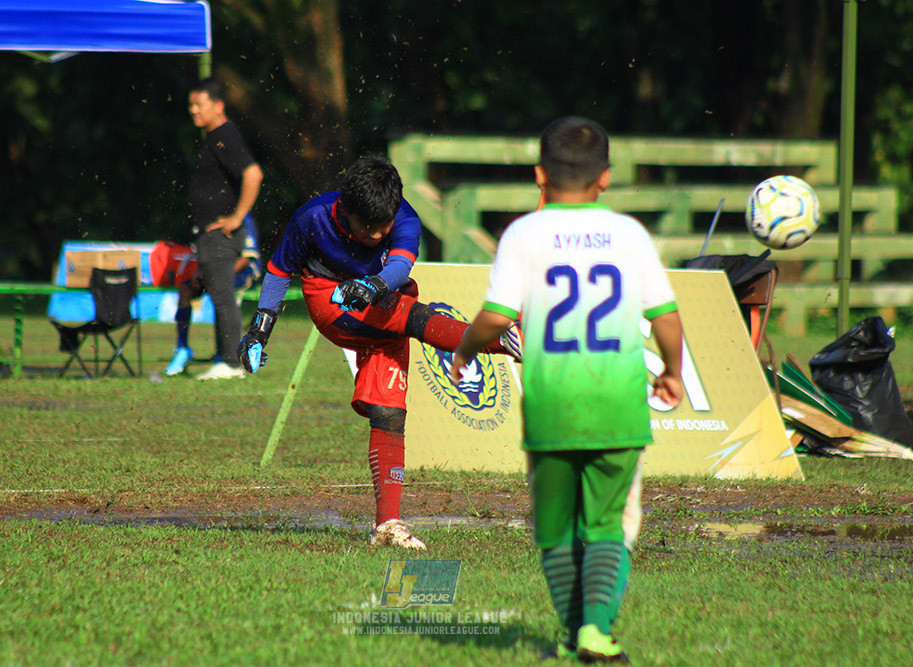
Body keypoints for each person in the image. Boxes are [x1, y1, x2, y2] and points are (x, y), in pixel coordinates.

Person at [448, 117, 684, 663]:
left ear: (539, 174)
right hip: (617, 403)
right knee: (609, 523)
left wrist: (463, 350)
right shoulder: (629, 235)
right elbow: (665, 316)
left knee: (555, 529)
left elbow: (496, 316)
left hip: (550, 406)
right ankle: (594, 632)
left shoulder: (522, 235)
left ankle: (572, 630)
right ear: (605, 178)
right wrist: (670, 370)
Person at [237, 156, 522, 551]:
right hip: (330, 301)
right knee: (411, 315)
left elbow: (400, 269)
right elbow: (280, 270)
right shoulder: (312, 216)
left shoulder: (404, 216)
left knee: (388, 413)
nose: (375, 235)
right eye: (365, 226)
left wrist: (373, 286)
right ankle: (502, 338)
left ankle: (387, 524)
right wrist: (259, 329)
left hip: (380, 301)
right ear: (345, 209)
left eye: (382, 227)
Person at [185, 77, 264, 381]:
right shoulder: (215, 136)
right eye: (190, 104)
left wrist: (236, 216)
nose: (193, 110)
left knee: (223, 297)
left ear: (218, 106)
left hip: (222, 235)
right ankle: (226, 359)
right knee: (221, 295)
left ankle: (230, 363)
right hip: (210, 235)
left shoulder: (223, 135)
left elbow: (253, 174)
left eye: (199, 104)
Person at [164, 214, 262, 376]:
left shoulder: (243, 219)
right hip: (216, 273)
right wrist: (202, 273)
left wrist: (219, 276)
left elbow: (247, 257)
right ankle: (183, 349)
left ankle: (228, 357)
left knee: (221, 295)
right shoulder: (211, 218)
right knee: (186, 290)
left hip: (239, 273)